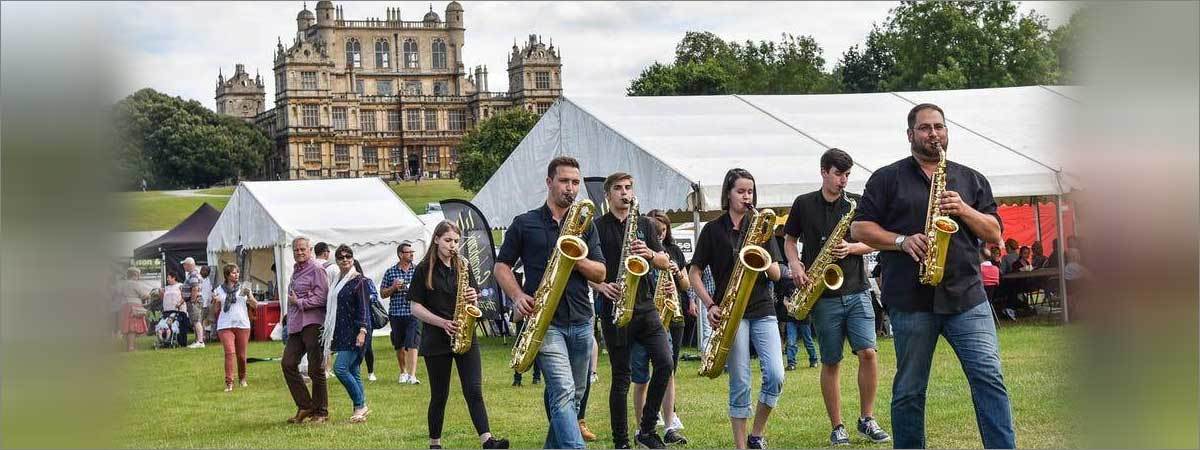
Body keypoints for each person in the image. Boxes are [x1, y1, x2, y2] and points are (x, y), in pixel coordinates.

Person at [850, 103, 1015, 448]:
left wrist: (964, 209)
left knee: (989, 377)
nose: (933, 134)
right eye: (925, 128)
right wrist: (901, 240)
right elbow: (860, 228)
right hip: (911, 299)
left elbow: (994, 232)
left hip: (966, 296)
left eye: (939, 127)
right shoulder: (886, 178)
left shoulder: (971, 179)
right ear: (910, 134)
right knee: (910, 388)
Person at [495, 156, 606, 449]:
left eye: (575, 183)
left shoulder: (586, 227)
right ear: (549, 182)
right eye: (564, 181)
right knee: (563, 390)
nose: (570, 188)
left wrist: (575, 256)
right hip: (546, 322)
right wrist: (517, 296)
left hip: (582, 319)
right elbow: (501, 266)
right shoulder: (525, 223)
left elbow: (601, 271)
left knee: (575, 394)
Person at [783, 148, 890, 445]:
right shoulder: (803, 203)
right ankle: (837, 425)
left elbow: (875, 239)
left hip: (856, 289)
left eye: (847, 175)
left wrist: (853, 248)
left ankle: (867, 418)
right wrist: (794, 263)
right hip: (823, 295)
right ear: (823, 172)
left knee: (868, 352)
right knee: (831, 361)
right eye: (838, 175)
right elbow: (789, 241)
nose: (843, 181)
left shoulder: (855, 204)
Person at [688, 168, 785, 450]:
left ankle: (757, 433)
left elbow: (777, 274)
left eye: (750, 191)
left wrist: (762, 255)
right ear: (728, 194)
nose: (746, 196)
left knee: (776, 375)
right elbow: (694, 272)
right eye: (741, 191)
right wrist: (709, 303)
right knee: (740, 380)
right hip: (730, 312)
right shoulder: (712, 230)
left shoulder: (761, 228)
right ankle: (742, 445)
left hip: (762, 308)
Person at [588, 172, 674, 449]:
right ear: (607, 195)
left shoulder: (646, 225)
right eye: (618, 189)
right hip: (615, 308)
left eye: (628, 188)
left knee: (666, 363)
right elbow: (581, 267)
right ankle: (621, 442)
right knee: (621, 377)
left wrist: (650, 253)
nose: (625, 193)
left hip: (646, 307)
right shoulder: (596, 226)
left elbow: (664, 261)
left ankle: (647, 429)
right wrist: (600, 287)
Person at [409, 221, 511, 449]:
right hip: (436, 338)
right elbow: (415, 307)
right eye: (447, 240)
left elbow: (473, 298)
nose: (452, 245)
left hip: (465, 334)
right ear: (436, 239)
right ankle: (434, 443)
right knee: (440, 395)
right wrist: (442, 322)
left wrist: (474, 297)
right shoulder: (423, 269)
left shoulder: (463, 265)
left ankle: (487, 440)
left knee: (474, 390)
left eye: (456, 241)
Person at [629, 209, 692, 445]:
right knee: (641, 376)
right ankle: (641, 427)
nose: (661, 234)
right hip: (644, 315)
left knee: (668, 371)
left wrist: (675, 277)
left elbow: (685, 284)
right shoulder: (639, 249)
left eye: (664, 230)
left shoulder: (673, 252)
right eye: (657, 231)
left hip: (665, 317)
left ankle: (669, 424)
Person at [320, 246, 373, 423]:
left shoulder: (360, 281)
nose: (345, 259)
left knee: (340, 369)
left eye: (348, 256)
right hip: (341, 331)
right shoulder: (336, 280)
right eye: (341, 257)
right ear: (336, 260)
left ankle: (360, 405)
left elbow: (364, 308)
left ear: (352, 258)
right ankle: (360, 408)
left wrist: (363, 331)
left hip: (356, 331)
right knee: (353, 370)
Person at [281, 236, 331, 424]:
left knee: (315, 368)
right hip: (296, 324)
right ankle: (305, 405)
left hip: (313, 323)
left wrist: (300, 302)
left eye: (303, 249)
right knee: (288, 363)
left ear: (310, 250)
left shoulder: (317, 269)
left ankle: (321, 412)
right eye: (296, 250)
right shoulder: (296, 270)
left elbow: (322, 298)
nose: (299, 252)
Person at [773, 225, 818, 371]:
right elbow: (785, 299)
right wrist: (788, 305)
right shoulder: (788, 283)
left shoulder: (807, 284)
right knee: (791, 341)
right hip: (791, 317)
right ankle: (791, 363)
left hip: (804, 317)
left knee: (808, 340)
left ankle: (814, 359)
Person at [213, 263, 257, 392]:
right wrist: (215, 302)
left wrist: (249, 296)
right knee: (229, 353)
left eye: (237, 272)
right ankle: (229, 383)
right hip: (225, 325)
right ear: (227, 275)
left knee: (242, 356)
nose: (236, 275)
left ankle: (242, 378)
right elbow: (215, 311)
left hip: (242, 324)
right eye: (233, 272)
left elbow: (255, 305)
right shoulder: (218, 290)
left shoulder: (244, 288)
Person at [382, 242, 421, 385]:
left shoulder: (418, 270)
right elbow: (383, 293)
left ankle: (412, 375)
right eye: (408, 252)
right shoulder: (390, 272)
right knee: (399, 345)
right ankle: (403, 372)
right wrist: (393, 287)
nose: (411, 254)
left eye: (412, 252)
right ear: (400, 254)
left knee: (413, 343)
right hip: (396, 313)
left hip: (413, 313)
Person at [116, 267, 152, 352]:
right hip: (134, 307)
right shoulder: (135, 284)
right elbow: (143, 295)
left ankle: (126, 347)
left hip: (124, 306)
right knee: (132, 328)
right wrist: (150, 295)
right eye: (138, 275)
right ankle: (131, 347)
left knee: (126, 327)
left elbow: (118, 294)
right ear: (135, 274)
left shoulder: (122, 284)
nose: (139, 277)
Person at [181, 258, 206, 348]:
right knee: (195, 321)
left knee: (196, 321)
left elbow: (195, 288)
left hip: (195, 301)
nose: (183, 266)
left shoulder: (193, 275)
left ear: (189, 265)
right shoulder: (192, 274)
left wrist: (192, 300)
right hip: (194, 301)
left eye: (185, 264)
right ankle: (197, 340)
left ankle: (200, 341)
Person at [161, 271, 188, 347]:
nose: (167, 279)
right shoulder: (166, 288)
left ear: (174, 278)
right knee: (166, 325)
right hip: (167, 310)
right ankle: (167, 341)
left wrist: (180, 303)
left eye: (168, 278)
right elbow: (163, 298)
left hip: (179, 310)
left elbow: (185, 296)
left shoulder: (180, 285)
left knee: (180, 326)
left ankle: (182, 342)